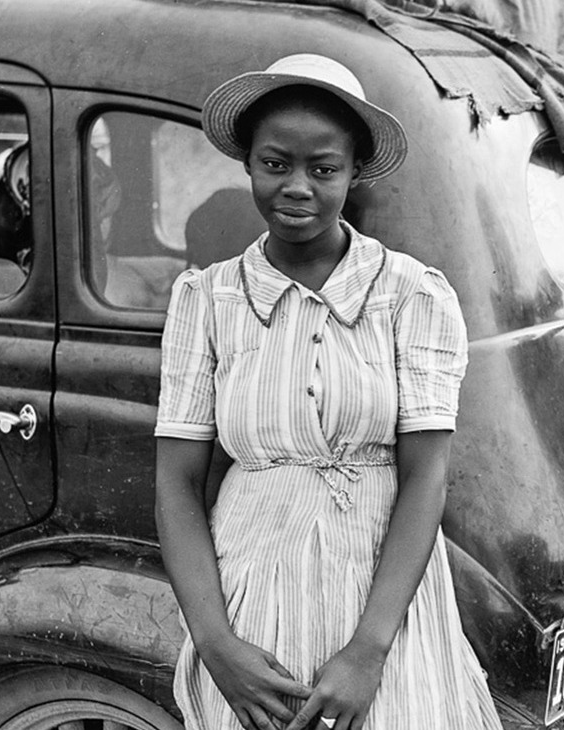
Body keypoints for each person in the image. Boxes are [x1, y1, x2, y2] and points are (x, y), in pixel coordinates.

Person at [154, 54, 501, 730]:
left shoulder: (411, 294)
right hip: (250, 590)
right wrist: (216, 643)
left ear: (354, 173)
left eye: (324, 169)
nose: (297, 188)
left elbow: (426, 473)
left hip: (381, 594)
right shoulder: (207, 299)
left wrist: (369, 651)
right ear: (247, 164)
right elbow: (175, 483)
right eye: (275, 163)